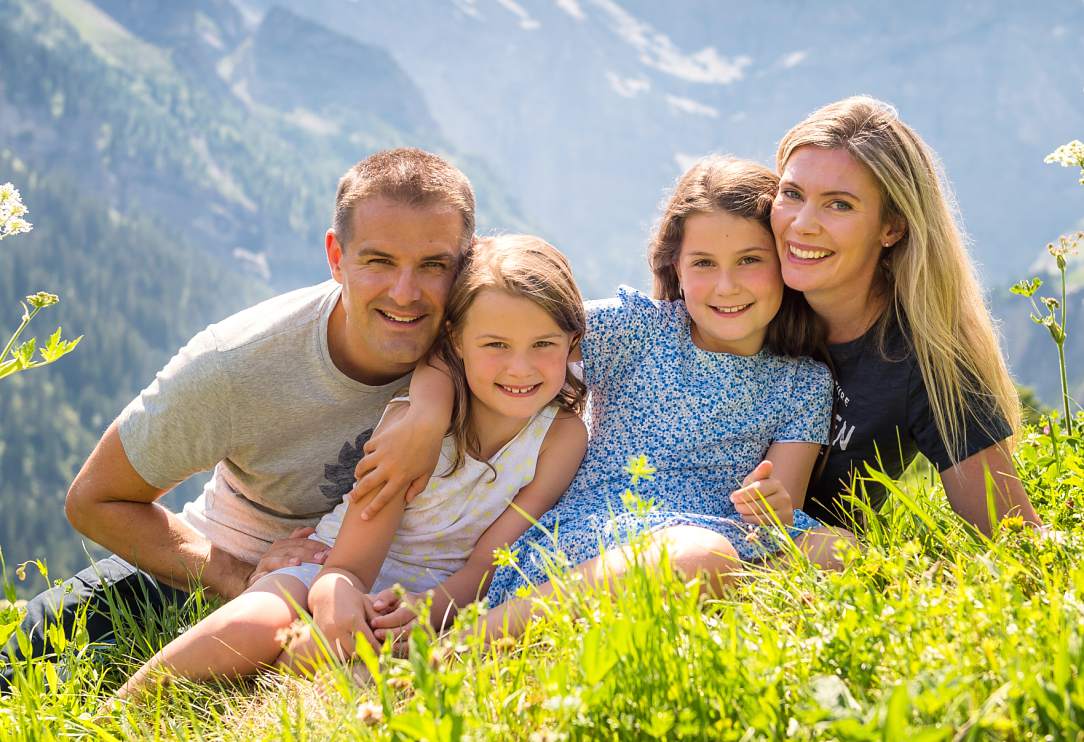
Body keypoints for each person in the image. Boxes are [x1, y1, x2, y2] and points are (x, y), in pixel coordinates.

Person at [0, 148, 470, 691]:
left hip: (362, 592)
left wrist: (429, 415)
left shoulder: (493, 343)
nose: (406, 293)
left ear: (467, 262)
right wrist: (237, 575)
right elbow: (95, 500)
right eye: (379, 261)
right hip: (209, 569)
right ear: (336, 256)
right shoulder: (238, 362)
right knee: (28, 673)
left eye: (434, 265)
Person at [371, 157, 855, 641]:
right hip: (601, 533)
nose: (726, 285)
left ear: (783, 264)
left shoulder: (803, 382)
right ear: (677, 269)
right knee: (699, 556)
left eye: (750, 260)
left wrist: (774, 504)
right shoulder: (635, 330)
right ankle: (471, 639)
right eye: (704, 263)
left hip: (724, 534)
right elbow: (480, 334)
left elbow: (778, 518)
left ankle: (676, 599)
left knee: (841, 552)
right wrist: (427, 416)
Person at [117, 235, 588, 696]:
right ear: (457, 342)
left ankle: (270, 680)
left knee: (331, 654)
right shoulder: (416, 425)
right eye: (496, 345)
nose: (520, 368)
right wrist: (334, 593)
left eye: (542, 344)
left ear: (572, 343)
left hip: (434, 595)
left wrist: (432, 609)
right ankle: (120, 713)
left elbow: (492, 558)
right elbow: (349, 558)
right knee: (250, 626)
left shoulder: (561, 437)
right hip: (337, 564)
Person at [771, 96, 1043, 534]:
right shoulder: (737, 295)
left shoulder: (926, 360)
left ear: (892, 227)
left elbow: (1015, 534)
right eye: (791, 193)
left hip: (808, 561)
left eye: (839, 204)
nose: (802, 223)